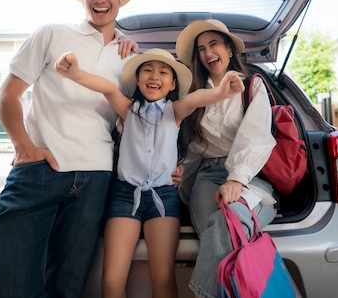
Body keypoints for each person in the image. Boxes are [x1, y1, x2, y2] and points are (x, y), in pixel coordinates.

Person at [0, 0, 140, 298]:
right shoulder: (52, 33)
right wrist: (24, 148)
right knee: (9, 284)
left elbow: (138, 122)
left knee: (67, 288)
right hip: (38, 169)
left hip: (96, 178)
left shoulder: (131, 57)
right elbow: (7, 96)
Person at [54, 48, 245, 298]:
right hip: (124, 196)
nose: (154, 76)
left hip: (163, 197)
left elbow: (197, 99)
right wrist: (75, 73)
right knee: (111, 280)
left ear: (172, 83)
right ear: (137, 79)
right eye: (147, 70)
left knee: (163, 278)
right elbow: (108, 88)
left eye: (163, 72)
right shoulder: (128, 109)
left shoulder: (175, 111)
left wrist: (222, 92)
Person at [175, 19, 279, 298]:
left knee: (227, 223)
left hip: (251, 177)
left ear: (229, 49)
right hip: (206, 175)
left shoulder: (252, 85)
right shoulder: (196, 95)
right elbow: (193, 148)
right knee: (220, 232)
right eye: (201, 49)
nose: (208, 53)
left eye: (214, 44)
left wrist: (236, 179)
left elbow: (255, 135)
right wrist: (178, 172)